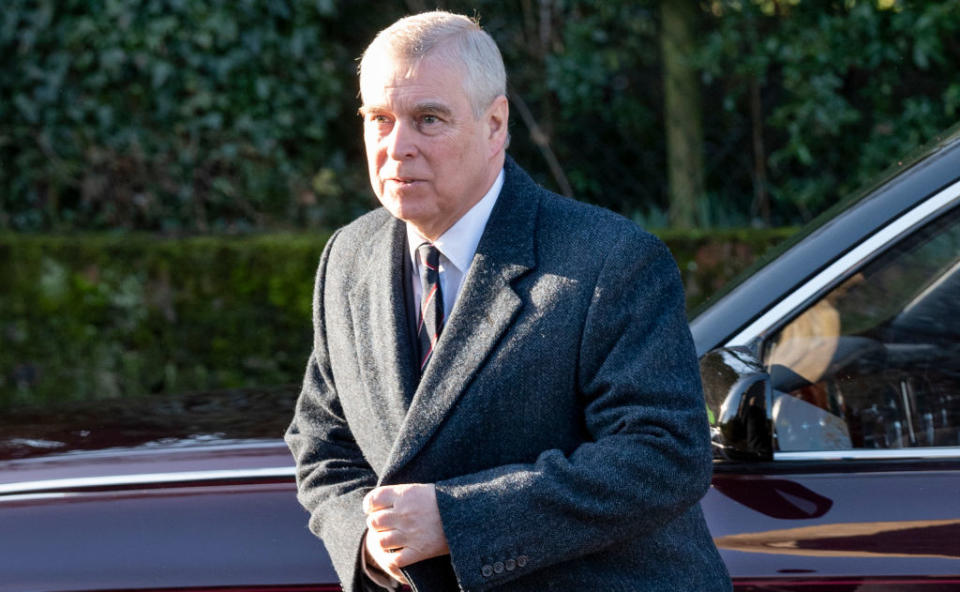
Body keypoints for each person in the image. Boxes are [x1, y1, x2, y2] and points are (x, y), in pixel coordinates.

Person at [285, 10, 731, 592]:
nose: (398, 147)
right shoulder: (348, 257)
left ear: (496, 124)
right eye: (379, 118)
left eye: (428, 119)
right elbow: (321, 441)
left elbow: (663, 455)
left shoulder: (611, 260)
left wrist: (459, 520)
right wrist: (368, 540)